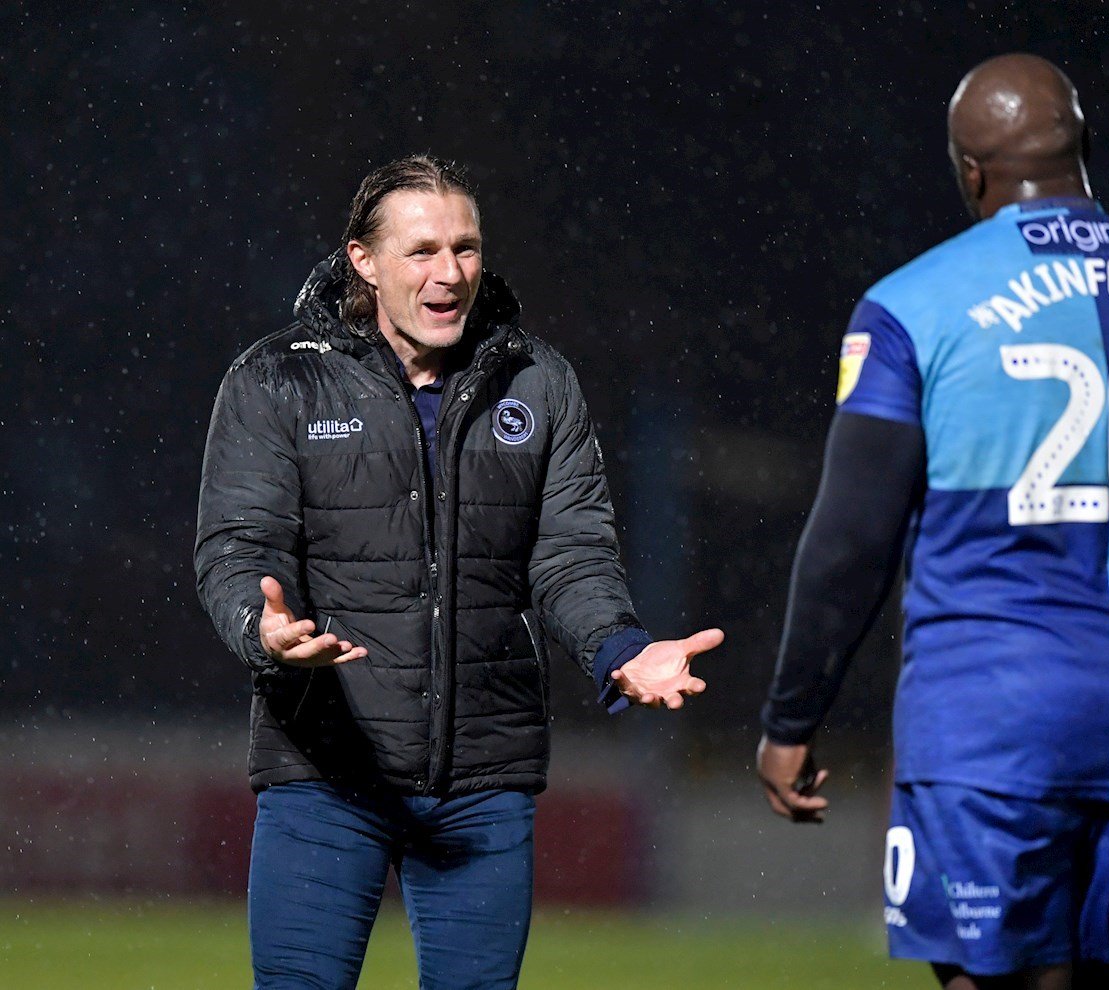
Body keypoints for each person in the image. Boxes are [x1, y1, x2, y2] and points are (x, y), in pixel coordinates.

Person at [756, 54, 1109, 990]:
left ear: (970, 173)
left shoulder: (908, 310)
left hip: (987, 730)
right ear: (1084, 150)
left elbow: (851, 538)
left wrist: (791, 715)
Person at [195, 153, 723, 990]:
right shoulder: (278, 380)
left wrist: (619, 647)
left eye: (467, 248)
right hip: (325, 772)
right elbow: (237, 545)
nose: (451, 273)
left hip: (485, 781)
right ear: (362, 262)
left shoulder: (538, 381)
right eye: (423, 251)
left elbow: (570, 554)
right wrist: (261, 631)